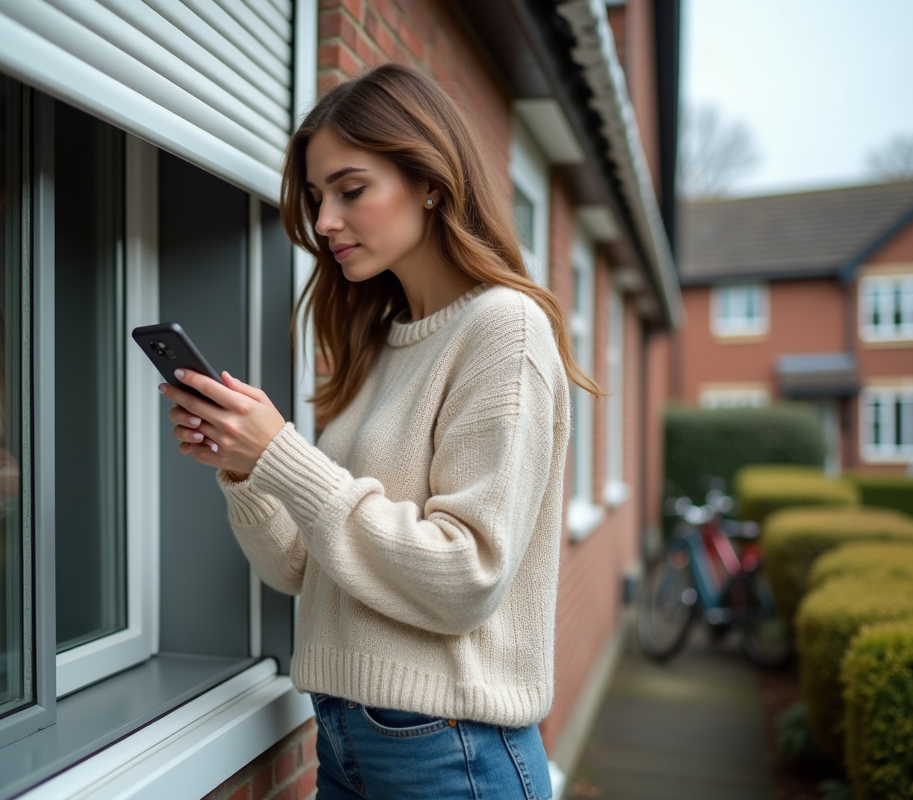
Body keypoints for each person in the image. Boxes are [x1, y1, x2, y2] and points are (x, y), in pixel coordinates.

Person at [159, 64, 601, 799]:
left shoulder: (505, 329)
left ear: (429, 181)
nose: (325, 220)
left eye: (350, 189)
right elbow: (300, 568)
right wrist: (247, 470)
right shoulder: (380, 341)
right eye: (315, 197)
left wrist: (285, 456)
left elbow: (467, 576)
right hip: (346, 738)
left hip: (449, 751)